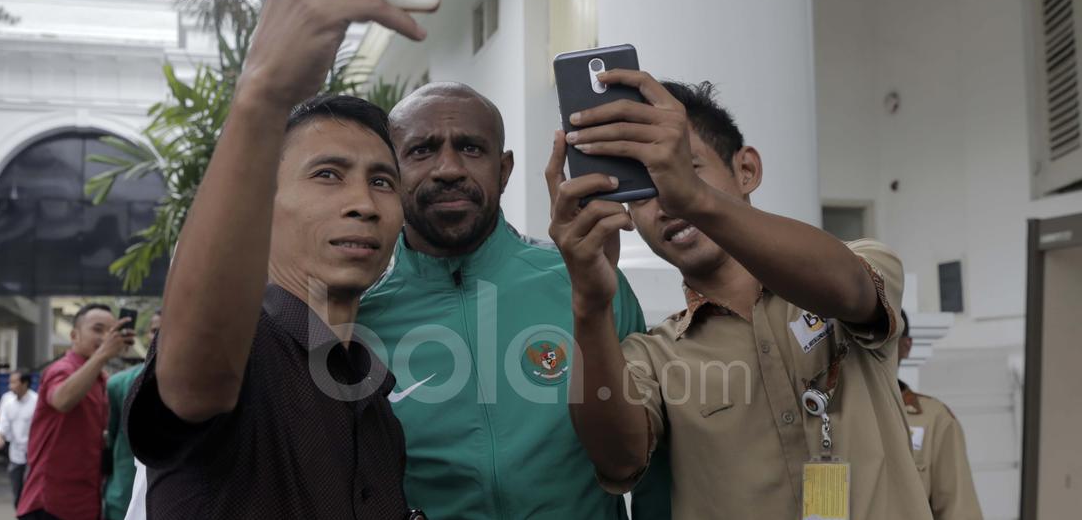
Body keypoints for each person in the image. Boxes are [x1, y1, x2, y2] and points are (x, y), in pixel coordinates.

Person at [123, 0, 455, 519]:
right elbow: (195, 378)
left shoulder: (374, 401)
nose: (362, 204)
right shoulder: (242, 354)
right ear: (262, 204)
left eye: (383, 182)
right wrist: (263, 93)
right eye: (327, 174)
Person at [547, 73, 933, 519]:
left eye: (685, 168)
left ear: (746, 170)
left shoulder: (861, 263)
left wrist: (696, 200)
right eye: (645, 191)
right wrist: (590, 302)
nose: (666, 201)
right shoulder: (653, 356)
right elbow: (618, 459)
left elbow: (850, 290)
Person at [355, 82, 668, 519]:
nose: (449, 169)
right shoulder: (358, 325)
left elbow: (647, 464)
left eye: (470, 148)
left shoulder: (588, 283)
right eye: (422, 150)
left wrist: (592, 302)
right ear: (391, 173)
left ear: (504, 170)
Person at [17, 303, 135, 520]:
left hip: (85, 503)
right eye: (97, 329)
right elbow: (62, 400)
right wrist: (102, 355)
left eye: (111, 331)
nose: (106, 337)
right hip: (50, 504)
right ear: (74, 335)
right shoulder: (62, 368)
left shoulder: (102, 379)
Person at [898, 310, 984, 519]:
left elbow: (959, 512)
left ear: (906, 346)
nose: (869, 346)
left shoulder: (934, 419)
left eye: (882, 337)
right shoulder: (826, 414)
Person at [105, 310, 161, 520]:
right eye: (155, 330)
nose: (161, 336)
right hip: (123, 491)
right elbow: (111, 437)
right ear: (147, 335)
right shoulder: (118, 384)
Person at [0, 371, 37, 508]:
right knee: (16, 486)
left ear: (25, 384)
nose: (10, 386)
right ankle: (19, 510)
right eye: (10, 382)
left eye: (14, 382)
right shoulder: (7, 400)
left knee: (30, 487)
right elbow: (2, 422)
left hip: (33, 451)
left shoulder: (36, 401)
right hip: (15, 451)